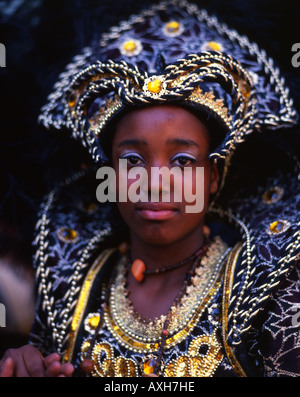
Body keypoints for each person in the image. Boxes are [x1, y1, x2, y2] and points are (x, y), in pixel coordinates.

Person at [0, 0, 299, 377]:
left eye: (183, 162)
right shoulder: (72, 287)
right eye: (132, 161)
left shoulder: (260, 289)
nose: (155, 182)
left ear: (213, 177)